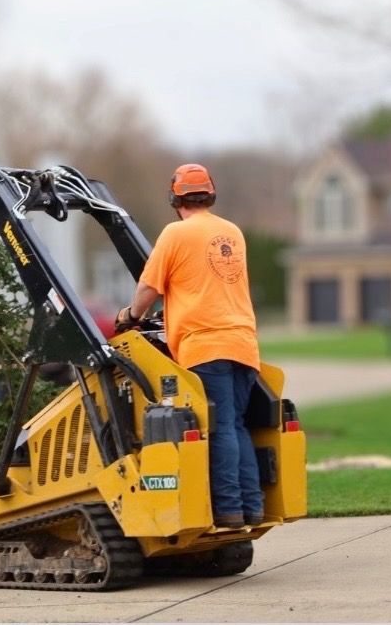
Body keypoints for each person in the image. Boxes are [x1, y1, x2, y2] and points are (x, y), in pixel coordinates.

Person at [114, 163, 264, 529]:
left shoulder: (175, 234)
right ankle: (251, 506)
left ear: (174, 197)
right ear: (210, 193)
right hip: (244, 343)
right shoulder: (232, 232)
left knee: (220, 428)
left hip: (205, 345)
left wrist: (131, 315)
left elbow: (148, 288)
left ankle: (227, 509)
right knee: (237, 425)